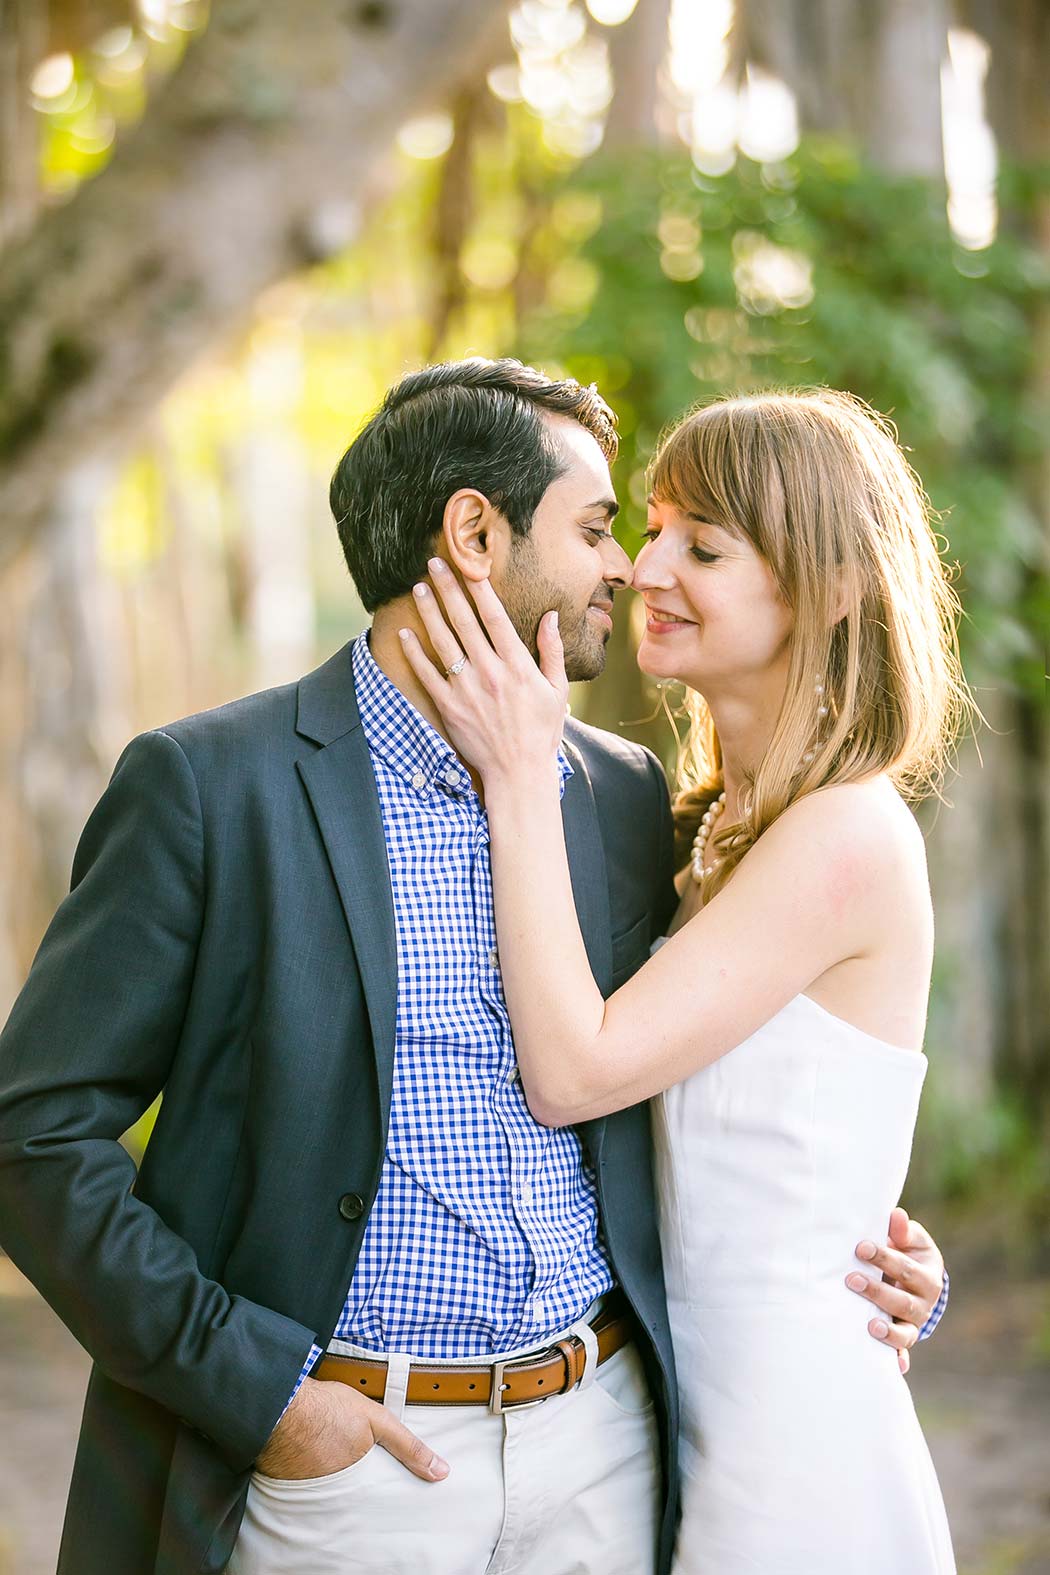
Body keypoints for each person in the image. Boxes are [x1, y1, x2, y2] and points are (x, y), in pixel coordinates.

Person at [0, 364, 948, 1575]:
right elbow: (33, 1135)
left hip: (616, 1450)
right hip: (355, 1470)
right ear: (472, 531)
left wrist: (875, 1251)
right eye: (608, 529)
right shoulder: (212, 791)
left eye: (677, 543)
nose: (630, 569)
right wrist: (269, 1399)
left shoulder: (619, 797)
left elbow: (748, 1075)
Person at [400, 387, 965, 1572]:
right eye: (649, 528)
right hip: (669, 1419)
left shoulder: (846, 837)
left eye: (701, 545)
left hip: (792, 1452)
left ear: (834, 586)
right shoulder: (701, 827)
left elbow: (575, 1070)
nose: (644, 568)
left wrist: (519, 772)